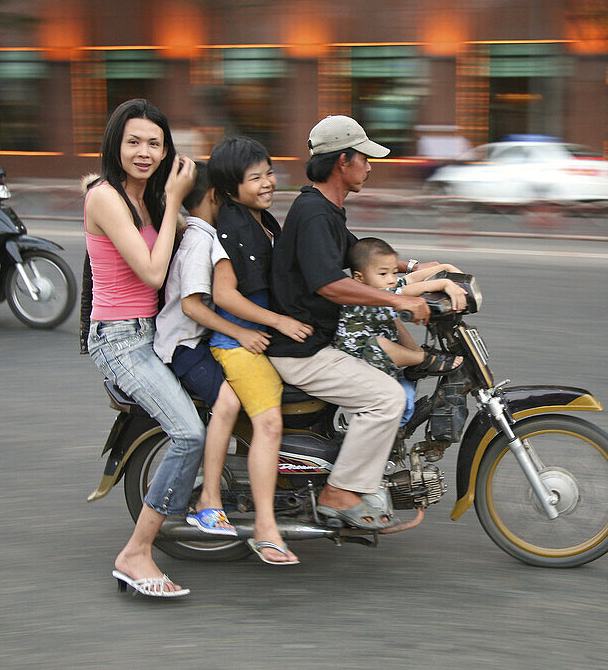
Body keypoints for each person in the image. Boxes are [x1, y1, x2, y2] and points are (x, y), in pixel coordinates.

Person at [266, 115, 439, 531]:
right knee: (386, 398)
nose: (370, 166)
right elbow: (330, 285)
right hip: (304, 349)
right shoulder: (313, 214)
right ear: (343, 160)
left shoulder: (326, 211)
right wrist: (397, 299)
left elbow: (361, 256)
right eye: (364, 158)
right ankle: (339, 492)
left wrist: (420, 268)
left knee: (396, 364)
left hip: (319, 341)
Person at [82, 98, 200, 598]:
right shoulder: (105, 197)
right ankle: (136, 552)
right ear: (116, 144)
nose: (144, 151)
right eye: (134, 141)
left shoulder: (147, 197)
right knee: (189, 432)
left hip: (155, 331)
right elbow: (151, 272)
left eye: (155, 142)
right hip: (119, 339)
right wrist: (175, 199)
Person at [207, 135, 313, 565]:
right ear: (232, 187)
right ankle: (266, 529)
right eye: (256, 178)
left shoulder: (262, 219)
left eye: (269, 173)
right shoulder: (233, 228)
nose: (267, 182)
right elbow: (225, 294)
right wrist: (278, 322)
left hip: (259, 339)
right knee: (269, 423)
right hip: (240, 340)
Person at [151, 160, 244, 543]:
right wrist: (239, 330)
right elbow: (191, 306)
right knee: (229, 402)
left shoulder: (203, 234)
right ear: (214, 195)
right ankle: (208, 502)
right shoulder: (198, 241)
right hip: (183, 347)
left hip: (194, 340)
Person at [333, 237, 466, 423]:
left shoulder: (384, 285)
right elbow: (402, 293)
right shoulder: (362, 296)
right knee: (378, 342)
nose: (391, 280)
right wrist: (443, 284)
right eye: (383, 274)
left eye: (394, 272)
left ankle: (418, 355)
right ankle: (424, 359)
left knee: (393, 322)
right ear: (359, 278)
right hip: (358, 363)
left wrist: (446, 268)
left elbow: (410, 279)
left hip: (380, 361)